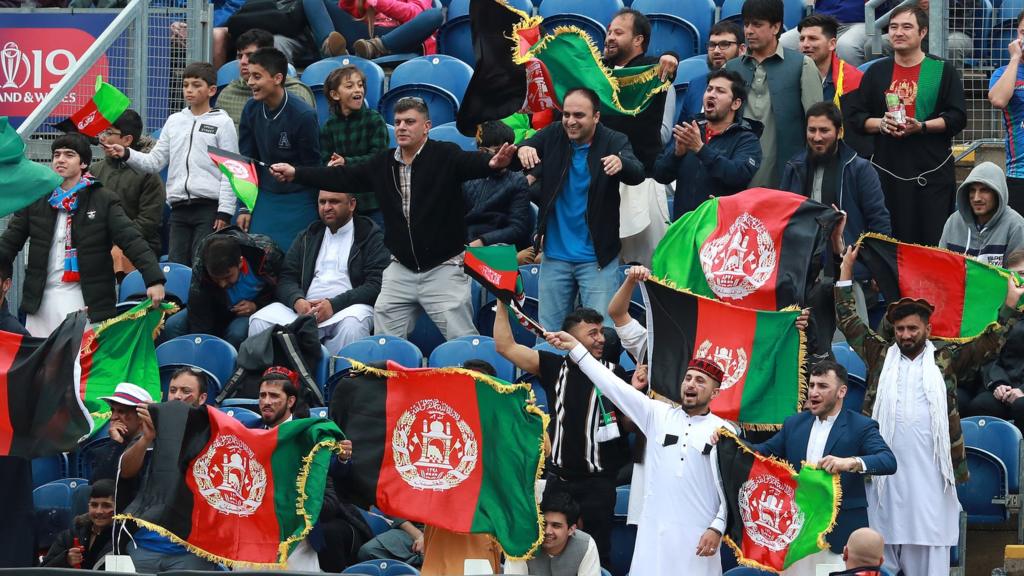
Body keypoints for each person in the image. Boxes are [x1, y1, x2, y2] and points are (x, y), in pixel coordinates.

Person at [835, 244, 1024, 575]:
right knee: (884, 554)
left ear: (926, 329)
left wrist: (1009, 305)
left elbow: (989, 344)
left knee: (931, 557)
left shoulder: (945, 359)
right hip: (886, 483)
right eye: (900, 329)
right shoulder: (880, 356)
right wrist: (845, 273)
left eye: (912, 328)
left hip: (931, 481)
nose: (906, 335)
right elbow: (849, 320)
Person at [269, 97, 517, 339]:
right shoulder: (382, 163)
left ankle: (473, 379)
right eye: (398, 122)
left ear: (426, 127)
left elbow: (472, 163)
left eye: (410, 122)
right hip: (400, 270)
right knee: (384, 345)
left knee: (461, 341)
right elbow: (340, 177)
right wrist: (296, 173)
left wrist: (492, 163)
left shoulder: (445, 155)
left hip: (443, 268)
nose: (401, 127)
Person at [546, 325, 732, 575]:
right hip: (654, 535)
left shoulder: (725, 431)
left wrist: (718, 526)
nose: (691, 384)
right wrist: (577, 349)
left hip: (698, 536)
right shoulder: (657, 414)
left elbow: (731, 488)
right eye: (688, 378)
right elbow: (611, 384)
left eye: (700, 381)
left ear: (715, 392)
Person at [494, 305, 630, 568]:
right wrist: (501, 303)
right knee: (549, 552)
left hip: (598, 484)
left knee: (598, 556)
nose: (601, 338)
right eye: (592, 333)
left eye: (601, 331)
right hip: (560, 482)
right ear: (571, 338)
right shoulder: (553, 366)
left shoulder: (615, 373)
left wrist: (634, 392)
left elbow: (631, 425)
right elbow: (505, 347)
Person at [0, 134, 165, 337]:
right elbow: (9, 242)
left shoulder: (103, 199)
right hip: (41, 299)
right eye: (57, 154)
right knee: (43, 366)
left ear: (84, 163)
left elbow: (131, 240)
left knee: (78, 366)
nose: (60, 159)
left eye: (69, 155)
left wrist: (154, 280)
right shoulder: (37, 197)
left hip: (85, 298)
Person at [745, 360, 896, 575]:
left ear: (842, 391)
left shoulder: (861, 426)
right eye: (812, 385)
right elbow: (761, 452)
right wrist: (727, 440)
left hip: (838, 536)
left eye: (823, 386)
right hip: (797, 533)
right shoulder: (794, 424)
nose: (814, 392)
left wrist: (850, 462)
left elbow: (888, 461)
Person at [515, 87, 644, 330]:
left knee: (601, 335)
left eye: (579, 116)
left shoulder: (613, 140)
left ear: (596, 117)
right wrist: (524, 148)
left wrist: (621, 163)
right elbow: (526, 147)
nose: (570, 121)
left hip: (597, 259)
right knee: (549, 335)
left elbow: (637, 172)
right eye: (566, 115)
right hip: (554, 257)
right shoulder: (554, 134)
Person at [845, 4, 966, 246]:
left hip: (931, 171)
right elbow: (855, 118)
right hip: (887, 170)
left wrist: (921, 126)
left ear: (923, 32)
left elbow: (957, 117)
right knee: (890, 239)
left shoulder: (941, 70)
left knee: (933, 241)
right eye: (893, 27)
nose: (898, 32)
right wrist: (881, 123)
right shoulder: (877, 71)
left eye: (906, 27)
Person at [104, 62, 237, 266]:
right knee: (176, 264)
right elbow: (154, 162)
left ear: (211, 90)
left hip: (209, 207)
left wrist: (225, 211)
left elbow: (230, 170)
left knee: (201, 265)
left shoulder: (223, 123)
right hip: (179, 207)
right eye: (185, 85)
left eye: (196, 85)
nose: (189, 90)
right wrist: (126, 153)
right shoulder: (175, 121)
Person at [248, 190, 387, 353]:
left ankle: (341, 378)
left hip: (347, 307)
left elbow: (376, 284)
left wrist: (333, 305)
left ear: (352, 204)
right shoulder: (308, 235)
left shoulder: (370, 234)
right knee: (259, 320)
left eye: (334, 202)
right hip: (306, 308)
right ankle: (273, 378)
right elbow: (286, 278)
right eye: (322, 202)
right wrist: (297, 301)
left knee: (353, 324)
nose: (326, 207)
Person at [600, 8, 679, 264]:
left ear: (638, 40)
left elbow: (669, 66)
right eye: (609, 31)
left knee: (647, 267)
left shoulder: (652, 70)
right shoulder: (597, 72)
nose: (610, 37)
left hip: (643, 180)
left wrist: (672, 57)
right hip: (601, 179)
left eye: (618, 32)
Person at [724, 0, 823, 188]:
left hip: (788, 174)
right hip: (735, 173)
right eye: (746, 24)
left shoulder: (802, 65)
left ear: (776, 27)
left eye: (757, 24)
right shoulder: (731, 68)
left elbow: (816, 124)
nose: (749, 31)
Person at [128, 372, 219, 572]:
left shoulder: (214, 435)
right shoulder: (153, 428)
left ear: (202, 398)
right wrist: (146, 438)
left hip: (190, 550)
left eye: (186, 391)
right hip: (144, 546)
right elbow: (126, 473)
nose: (178, 396)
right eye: (173, 390)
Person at [238, 47, 321, 250]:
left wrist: (294, 174)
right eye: (249, 76)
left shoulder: (303, 115)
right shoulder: (250, 109)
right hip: (265, 196)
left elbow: (313, 166)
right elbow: (247, 160)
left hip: (299, 198)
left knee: (294, 263)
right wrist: (245, 206)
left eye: (257, 77)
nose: (250, 83)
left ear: (277, 78)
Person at [653, 69, 762, 220]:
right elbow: (660, 175)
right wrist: (676, 155)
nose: (711, 94)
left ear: (736, 104)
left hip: (721, 230)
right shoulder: (691, 130)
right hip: (684, 226)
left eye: (720, 91)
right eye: (709, 89)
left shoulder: (747, 139)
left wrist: (700, 149)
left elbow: (738, 175)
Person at [779, 102, 890, 249]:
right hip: (802, 262)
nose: (817, 137)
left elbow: (879, 222)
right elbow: (781, 216)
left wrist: (877, 265)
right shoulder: (794, 167)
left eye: (824, 130)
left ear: (840, 132)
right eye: (812, 130)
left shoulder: (859, 169)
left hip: (847, 262)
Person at [163, 228, 283, 348]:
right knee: (173, 325)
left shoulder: (267, 255)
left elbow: (283, 290)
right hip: (215, 309)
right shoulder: (202, 266)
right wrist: (202, 347)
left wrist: (257, 306)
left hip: (252, 312)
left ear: (240, 262)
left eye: (227, 277)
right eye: (216, 279)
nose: (222, 284)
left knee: (237, 332)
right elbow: (199, 310)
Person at [90, 109, 165, 265]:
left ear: (127, 140)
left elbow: (148, 221)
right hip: (100, 243)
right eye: (103, 131)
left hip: (138, 245)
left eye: (109, 132)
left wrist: (117, 242)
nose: (102, 137)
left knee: (117, 255)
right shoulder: (94, 170)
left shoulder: (148, 174)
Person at [318, 66, 390, 226]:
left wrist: (346, 162)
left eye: (360, 85)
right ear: (335, 95)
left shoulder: (374, 120)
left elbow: (379, 159)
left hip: (373, 201)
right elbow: (324, 162)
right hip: (342, 204)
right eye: (349, 86)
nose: (358, 90)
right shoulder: (329, 127)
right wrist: (331, 166)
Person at [216, 29, 317, 131]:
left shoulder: (297, 93)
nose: (243, 61)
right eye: (240, 56)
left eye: (250, 55)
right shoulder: (227, 94)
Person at [965, 250, 1024, 422]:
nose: (1018, 281)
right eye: (1012, 276)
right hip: (1003, 385)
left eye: (1022, 274)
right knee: (980, 405)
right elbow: (989, 354)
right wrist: (998, 384)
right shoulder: (997, 311)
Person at [463, 121, 533, 251]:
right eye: (496, 150)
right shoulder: (467, 175)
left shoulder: (517, 180)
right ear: (481, 151)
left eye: (506, 149)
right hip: (463, 241)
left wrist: (482, 241)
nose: (502, 155)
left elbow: (517, 228)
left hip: (496, 246)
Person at [939, 162, 1024, 268]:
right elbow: (940, 266)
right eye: (972, 190)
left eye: (984, 190)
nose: (976, 198)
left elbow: (1018, 277)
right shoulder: (953, 221)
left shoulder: (1016, 225)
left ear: (998, 193)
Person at [302, 0, 443, 59]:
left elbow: (416, 14)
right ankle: (330, 46)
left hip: (397, 37)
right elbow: (355, 12)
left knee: (434, 15)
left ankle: (376, 48)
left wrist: (379, 2)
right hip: (364, 36)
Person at [503, 492, 601, 576]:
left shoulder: (585, 545)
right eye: (543, 524)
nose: (547, 531)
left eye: (556, 526)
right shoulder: (521, 544)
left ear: (571, 529)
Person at [987, 11, 1024, 212]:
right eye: (1023, 32)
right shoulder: (1004, 72)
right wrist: (1015, 59)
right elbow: (999, 99)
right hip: (1019, 174)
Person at [678, 21, 746, 124]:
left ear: (741, 49)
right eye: (712, 45)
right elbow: (682, 131)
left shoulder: (749, 82)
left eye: (724, 44)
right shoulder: (696, 84)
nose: (716, 51)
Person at [41, 479, 116, 569]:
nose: (99, 511)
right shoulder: (70, 535)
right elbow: (44, 569)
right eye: (94, 505)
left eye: (106, 505)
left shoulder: (123, 540)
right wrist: (66, 559)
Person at [780, 0, 867, 66]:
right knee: (782, 43)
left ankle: (852, 88)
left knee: (847, 47)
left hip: (860, 22)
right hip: (821, 21)